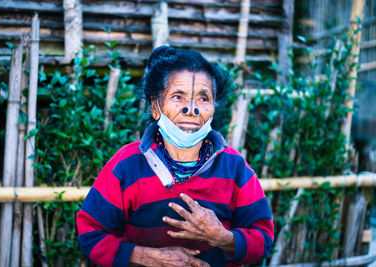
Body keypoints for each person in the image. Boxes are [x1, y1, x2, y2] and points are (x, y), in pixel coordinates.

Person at [76, 46, 274, 267]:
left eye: (203, 98)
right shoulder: (127, 164)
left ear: (214, 108)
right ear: (155, 107)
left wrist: (222, 237)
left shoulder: (235, 167)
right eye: (178, 97)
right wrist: (148, 257)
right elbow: (91, 235)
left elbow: (263, 240)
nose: (191, 109)